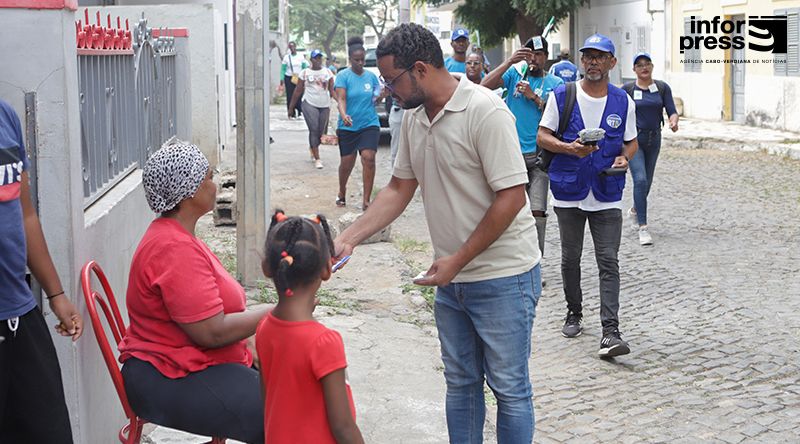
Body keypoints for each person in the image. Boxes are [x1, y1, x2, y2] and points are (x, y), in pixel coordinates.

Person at [337, 24, 542, 443]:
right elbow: (398, 188)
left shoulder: (485, 111)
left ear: (420, 69)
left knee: (510, 389)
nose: (387, 90)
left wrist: (457, 260)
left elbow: (512, 197)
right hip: (451, 281)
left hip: (504, 277)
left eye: (392, 80)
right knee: (461, 384)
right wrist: (349, 238)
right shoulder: (414, 118)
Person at [119, 140, 271, 443]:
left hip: (182, 364)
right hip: (166, 378)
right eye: (208, 178)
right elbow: (211, 333)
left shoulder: (176, 236)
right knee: (285, 411)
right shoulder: (173, 248)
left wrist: (252, 339)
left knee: (293, 386)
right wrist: (278, 312)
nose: (214, 186)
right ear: (189, 191)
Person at [537, 34, 638, 358]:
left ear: (612, 62)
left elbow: (631, 141)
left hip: (607, 192)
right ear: (582, 61)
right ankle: (574, 312)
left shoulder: (623, 101)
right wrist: (569, 148)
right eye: (588, 56)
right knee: (571, 258)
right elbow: (543, 136)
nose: (592, 61)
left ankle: (611, 331)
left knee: (608, 260)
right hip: (569, 191)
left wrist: (626, 157)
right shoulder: (562, 95)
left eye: (599, 56)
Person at [0, 99, 83, 443]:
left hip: (18, 313)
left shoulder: (5, 117)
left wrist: (56, 293)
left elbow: (25, 212)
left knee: (50, 431)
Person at [256, 210, 364, 444]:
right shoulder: (323, 342)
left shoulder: (264, 328)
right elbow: (343, 427)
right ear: (327, 269)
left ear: (267, 267)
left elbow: (268, 405)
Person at [483, 35, 563, 282]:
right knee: (511, 212)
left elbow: (559, 116)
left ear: (546, 57)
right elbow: (484, 86)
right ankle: (509, 264)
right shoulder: (514, 77)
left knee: (537, 214)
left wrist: (534, 97)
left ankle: (534, 267)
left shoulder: (556, 83)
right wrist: (509, 62)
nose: (534, 59)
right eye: (529, 54)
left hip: (540, 158)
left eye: (538, 55)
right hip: (512, 157)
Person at [622, 52, 679, 246]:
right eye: (639, 65)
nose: (643, 67)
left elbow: (671, 109)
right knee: (640, 179)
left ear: (652, 67)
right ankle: (643, 228)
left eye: (647, 64)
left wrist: (673, 121)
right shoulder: (628, 89)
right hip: (634, 140)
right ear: (634, 70)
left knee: (647, 183)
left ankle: (635, 210)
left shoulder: (662, 88)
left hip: (654, 138)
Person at [334, 36, 383, 211]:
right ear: (350, 59)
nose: (361, 63)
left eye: (363, 59)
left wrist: (381, 96)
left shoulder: (371, 77)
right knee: (347, 163)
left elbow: (376, 98)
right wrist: (344, 115)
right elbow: (341, 98)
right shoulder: (343, 76)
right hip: (348, 126)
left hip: (369, 123)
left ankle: (366, 200)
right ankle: (342, 191)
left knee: (368, 158)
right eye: (357, 60)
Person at [289, 49, 336, 170]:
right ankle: (317, 158)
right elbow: (298, 90)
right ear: (312, 60)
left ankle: (313, 147)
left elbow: (332, 90)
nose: (319, 60)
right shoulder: (305, 73)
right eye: (316, 58)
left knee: (320, 132)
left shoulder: (328, 72)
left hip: (324, 105)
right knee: (313, 128)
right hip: (309, 103)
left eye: (320, 58)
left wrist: (340, 101)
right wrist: (291, 107)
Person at [279, 41, 308, 118]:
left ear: (295, 47)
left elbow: (304, 67)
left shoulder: (301, 57)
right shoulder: (286, 57)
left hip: (299, 77)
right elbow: (283, 69)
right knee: (290, 95)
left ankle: (299, 111)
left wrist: (305, 77)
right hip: (289, 77)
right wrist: (281, 79)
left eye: (293, 46)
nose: (292, 48)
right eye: (290, 47)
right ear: (289, 48)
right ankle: (291, 112)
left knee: (299, 94)